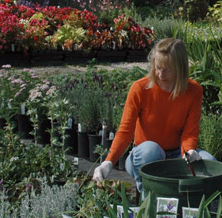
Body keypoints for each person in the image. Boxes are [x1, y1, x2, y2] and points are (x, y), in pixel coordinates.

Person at [92, 38, 215, 193]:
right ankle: (148, 198)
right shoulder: (140, 89)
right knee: (150, 149)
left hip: (176, 154)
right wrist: (108, 162)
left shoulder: (193, 91)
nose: (160, 74)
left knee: (210, 163)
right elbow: (125, 131)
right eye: (158, 68)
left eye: (168, 70)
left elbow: (190, 132)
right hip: (145, 156)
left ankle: (196, 205)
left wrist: (189, 151)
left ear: (180, 68)